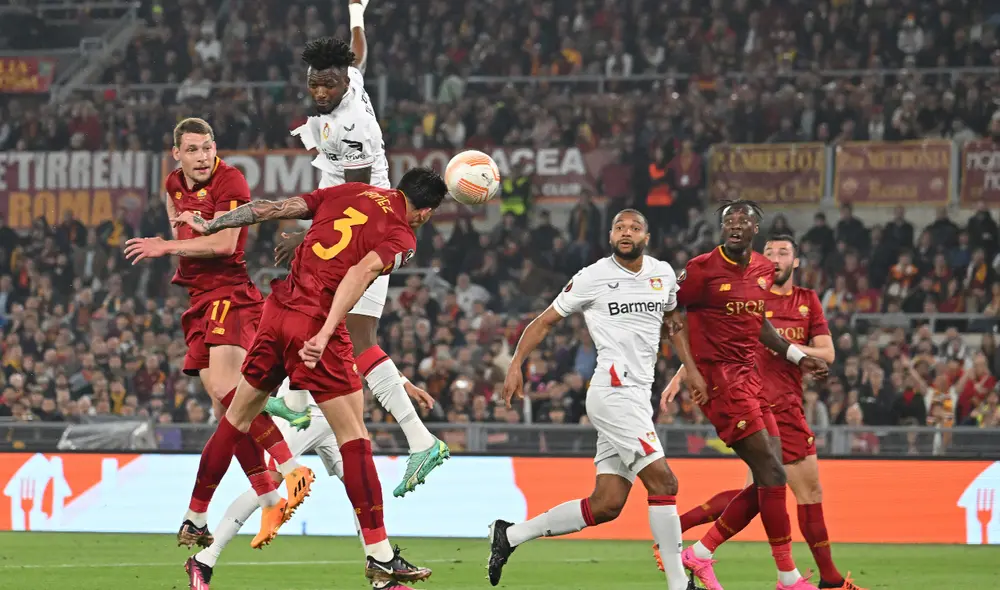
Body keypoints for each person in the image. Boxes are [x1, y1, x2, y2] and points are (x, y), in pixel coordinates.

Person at [171, 166, 448, 588]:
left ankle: (195, 516)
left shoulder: (351, 191)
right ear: (425, 212)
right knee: (355, 437)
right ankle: (380, 559)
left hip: (276, 311)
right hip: (316, 323)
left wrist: (213, 223)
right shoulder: (402, 236)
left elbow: (271, 208)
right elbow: (358, 274)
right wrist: (325, 331)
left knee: (237, 418)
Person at [269, 3, 449, 498]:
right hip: (365, 223)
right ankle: (299, 403)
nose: (320, 92)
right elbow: (360, 55)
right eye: (315, 84)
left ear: (343, 83)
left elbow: (353, 202)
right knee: (341, 328)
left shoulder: (351, 127)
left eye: (328, 84)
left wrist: (309, 236)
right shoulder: (351, 82)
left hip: (364, 229)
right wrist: (356, 13)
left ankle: (413, 439)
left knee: (350, 334)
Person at [486, 209, 708, 590]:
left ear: (646, 237)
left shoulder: (663, 274)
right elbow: (544, 321)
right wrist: (516, 362)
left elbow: (674, 323)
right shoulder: (592, 277)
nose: (626, 233)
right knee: (664, 482)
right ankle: (678, 584)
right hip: (612, 392)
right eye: (620, 227)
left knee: (606, 504)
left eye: (634, 228)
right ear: (610, 236)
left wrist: (691, 369)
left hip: (638, 397)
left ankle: (510, 535)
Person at [123, 118, 313, 550]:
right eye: (192, 150)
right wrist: (180, 233)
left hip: (230, 293)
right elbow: (181, 223)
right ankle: (267, 497)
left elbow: (225, 246)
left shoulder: (231, 181)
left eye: (208, 147)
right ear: (177, 154)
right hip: (199, 298)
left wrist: (167, 246)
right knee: (224, 408)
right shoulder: (173, 183)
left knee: (229, 392)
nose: (203, 156)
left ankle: (289, 467)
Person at [653, 234, 866, 590]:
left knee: (761, 489)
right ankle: (821, 579)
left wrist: (788, 349)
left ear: (796, 261)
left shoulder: (806, 300)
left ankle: (683, 543)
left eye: (784, 252)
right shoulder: (746, 290)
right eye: (770, 252)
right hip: (750, 398)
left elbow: (826, 353)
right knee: (796, 489)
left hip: (786, 401)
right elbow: (713, 336)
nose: (776, 258)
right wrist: (684, 373)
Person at [190, 389, 433, 590]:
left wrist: (404, 383)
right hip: (303, 413)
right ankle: (204, 559)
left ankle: (382, 577)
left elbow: (364, 354)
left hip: (335, 415)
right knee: (267, 485)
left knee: (361, 489)